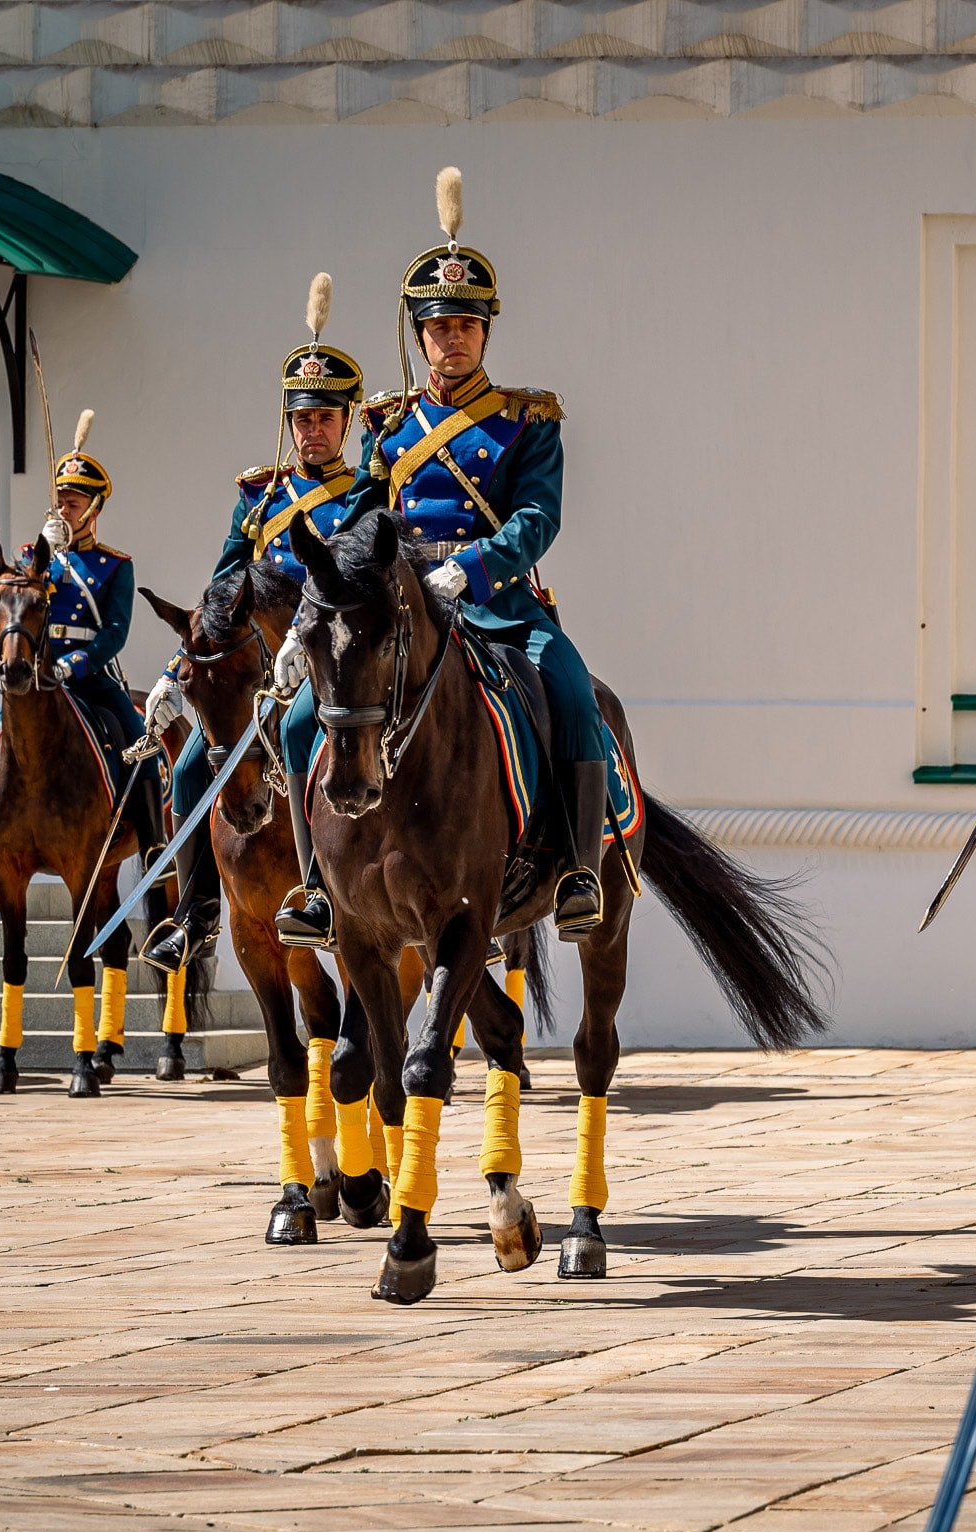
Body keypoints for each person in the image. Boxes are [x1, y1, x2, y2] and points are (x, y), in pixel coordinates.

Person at [357, 169, 591, 937]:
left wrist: (475, 567)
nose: (451, 338)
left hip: (497, 605)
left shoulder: (529, 420)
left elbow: (537, 517)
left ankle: (580, 869)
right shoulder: (387, 428)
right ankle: (324, 886)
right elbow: (361, 523)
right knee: (301, 718)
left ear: (486, 330)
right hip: (399, 611)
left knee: (574, 694)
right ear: (418, 333)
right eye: (438, 326)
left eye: (465, 325)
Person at [140, 284, 363, 971]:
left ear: (347, 420)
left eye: (325, 417)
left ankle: (322, 890)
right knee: (184, 766)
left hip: (328, 665)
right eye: (302, 419)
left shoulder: (361, 495)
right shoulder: (259, 497)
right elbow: (220, 591)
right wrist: (179, 673)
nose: (312, 431)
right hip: (257, 673)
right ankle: (197, 911)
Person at [0, 415, 166, 894]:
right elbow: (24, 598)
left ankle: (154, 846)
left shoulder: (115, 566)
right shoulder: (37, 556)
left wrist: (78, 663)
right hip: (37, 677)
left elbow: (115, 631)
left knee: (141, 748)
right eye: (61, 502)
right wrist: (45, 554)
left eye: (75, 503)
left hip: (90, 676)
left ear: (94, 508)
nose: (66, 510)